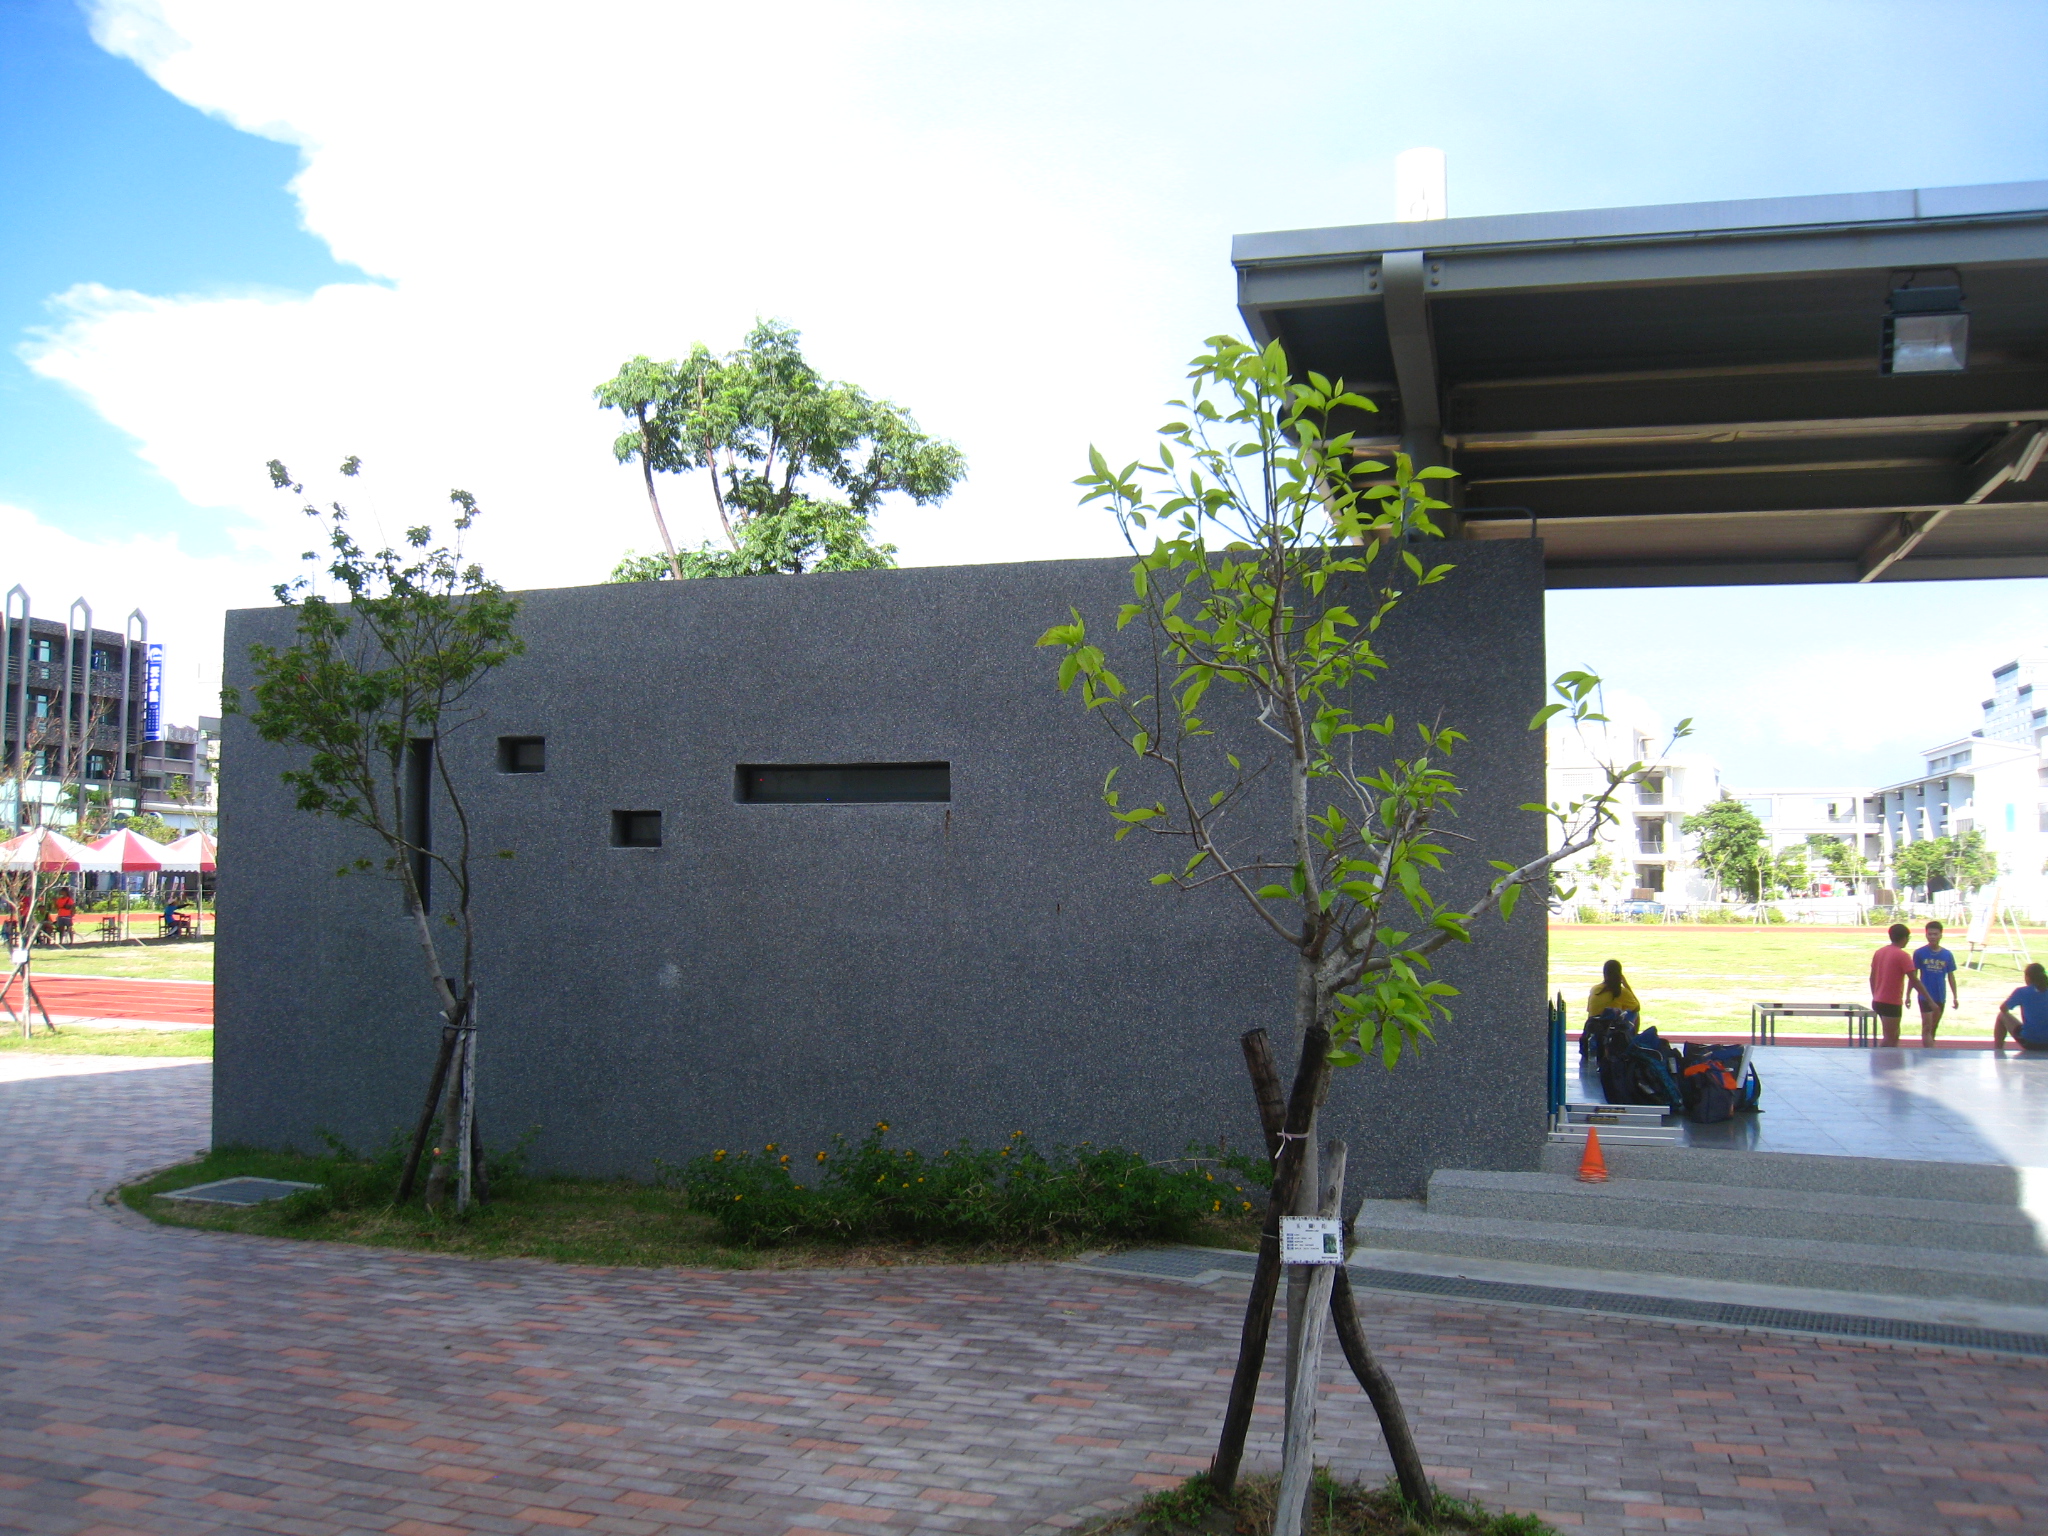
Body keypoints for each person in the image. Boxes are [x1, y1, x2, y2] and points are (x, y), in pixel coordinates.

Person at [1870, 922, 1932, 1046]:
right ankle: (1878, 1057)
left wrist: (1875, 995)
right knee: (1890, 1038)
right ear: (1904, 938)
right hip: (1891, 1002)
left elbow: (1872, 977)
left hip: (1878, 1000)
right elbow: (1914, 980)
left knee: (1894, 1035)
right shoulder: (1903, 956)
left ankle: (1889, 1057)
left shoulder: (1879, 952)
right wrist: (1930, 1000)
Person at [1912, 920, 1961, 1047]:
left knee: (1933, 1027)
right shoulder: (1919, 953)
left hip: (1940, 995)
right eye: (1930, 934)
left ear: (1940, 935)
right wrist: (1907, 995)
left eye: (1935, 934)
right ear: (1926, 935)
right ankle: (1928, 1052)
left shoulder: (1947, 954)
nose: (1932, 937)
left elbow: (1951, 976)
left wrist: (1955, 996)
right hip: (1924, 995)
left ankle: (1930, 1049)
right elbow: (1913, 976)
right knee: (1927, 1027)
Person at [1994, 963, 2048, 1052]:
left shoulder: (2021, 992)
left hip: (2030, 1042)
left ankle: (1998, 1050)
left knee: (2001, 1016)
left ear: (2028, 977)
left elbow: (2003, 1009)